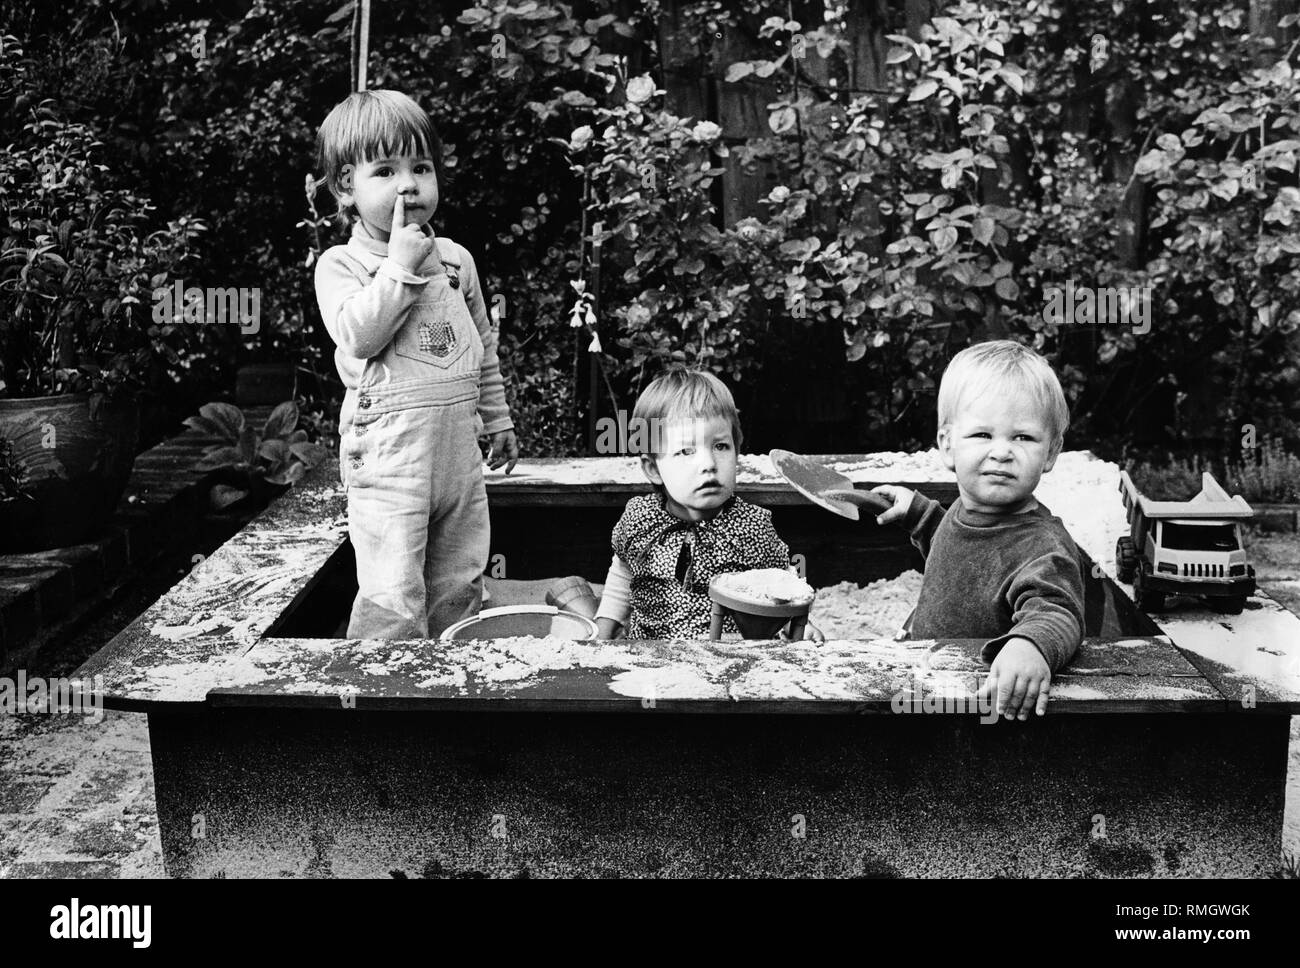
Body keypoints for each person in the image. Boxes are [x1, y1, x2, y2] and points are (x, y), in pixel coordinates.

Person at [313, 89, 518, 639]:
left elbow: (482, 347)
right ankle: (379, 702)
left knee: (460, 579)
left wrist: (497, 419)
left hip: (457, 454)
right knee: (393, 590)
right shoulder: (343, 265)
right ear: (345, 188)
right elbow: (358, 335)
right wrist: (399, 268)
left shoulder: (455, 260)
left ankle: (451, 692)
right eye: (385, 170)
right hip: (388, 462)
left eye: (420, 167)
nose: (408, 184)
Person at [872, 340, 1085, 720]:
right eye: (983, 435)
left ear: (1051, 452)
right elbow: (959, 549)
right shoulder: (968, 507)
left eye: (1023, 437)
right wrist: (917, 513)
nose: (1002, 451)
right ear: (947, 445)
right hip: (928, 675)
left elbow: (1057, 610)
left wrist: (1030, 644)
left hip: (979, 701)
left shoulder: (1042, 546)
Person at [595, 369, 804, 640]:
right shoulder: (640, 519)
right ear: (653, 468)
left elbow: (783, 585)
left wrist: (797, 624)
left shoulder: (751, 527)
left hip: (727, 659)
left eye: (720, 447)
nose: (708, 464)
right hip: (648, 657)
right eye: (686, 451)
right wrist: (604, 626)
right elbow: (623, 573)